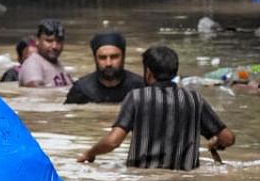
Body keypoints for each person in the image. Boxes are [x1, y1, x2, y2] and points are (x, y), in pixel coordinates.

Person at [78, 45, 235, 170]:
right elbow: (228, 138)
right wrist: (215, 143)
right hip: (184, 180)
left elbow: (113, 142)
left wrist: (90, 153)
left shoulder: (136, 97)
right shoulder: (194, 99)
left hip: (142, 179)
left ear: (148, 72)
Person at [64, 32, 145, 104]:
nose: (108, 63)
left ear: (123, 57)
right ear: (95, 58)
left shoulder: (140, 88)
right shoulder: (82, 89)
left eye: (114, 57)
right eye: (102, 58)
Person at [18, 19, 72, 88]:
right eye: (49, 41)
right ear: (37, 41)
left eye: (59, 41)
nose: (54, 46)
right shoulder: (33, 64)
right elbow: (36, 94)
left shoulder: (54, 62)